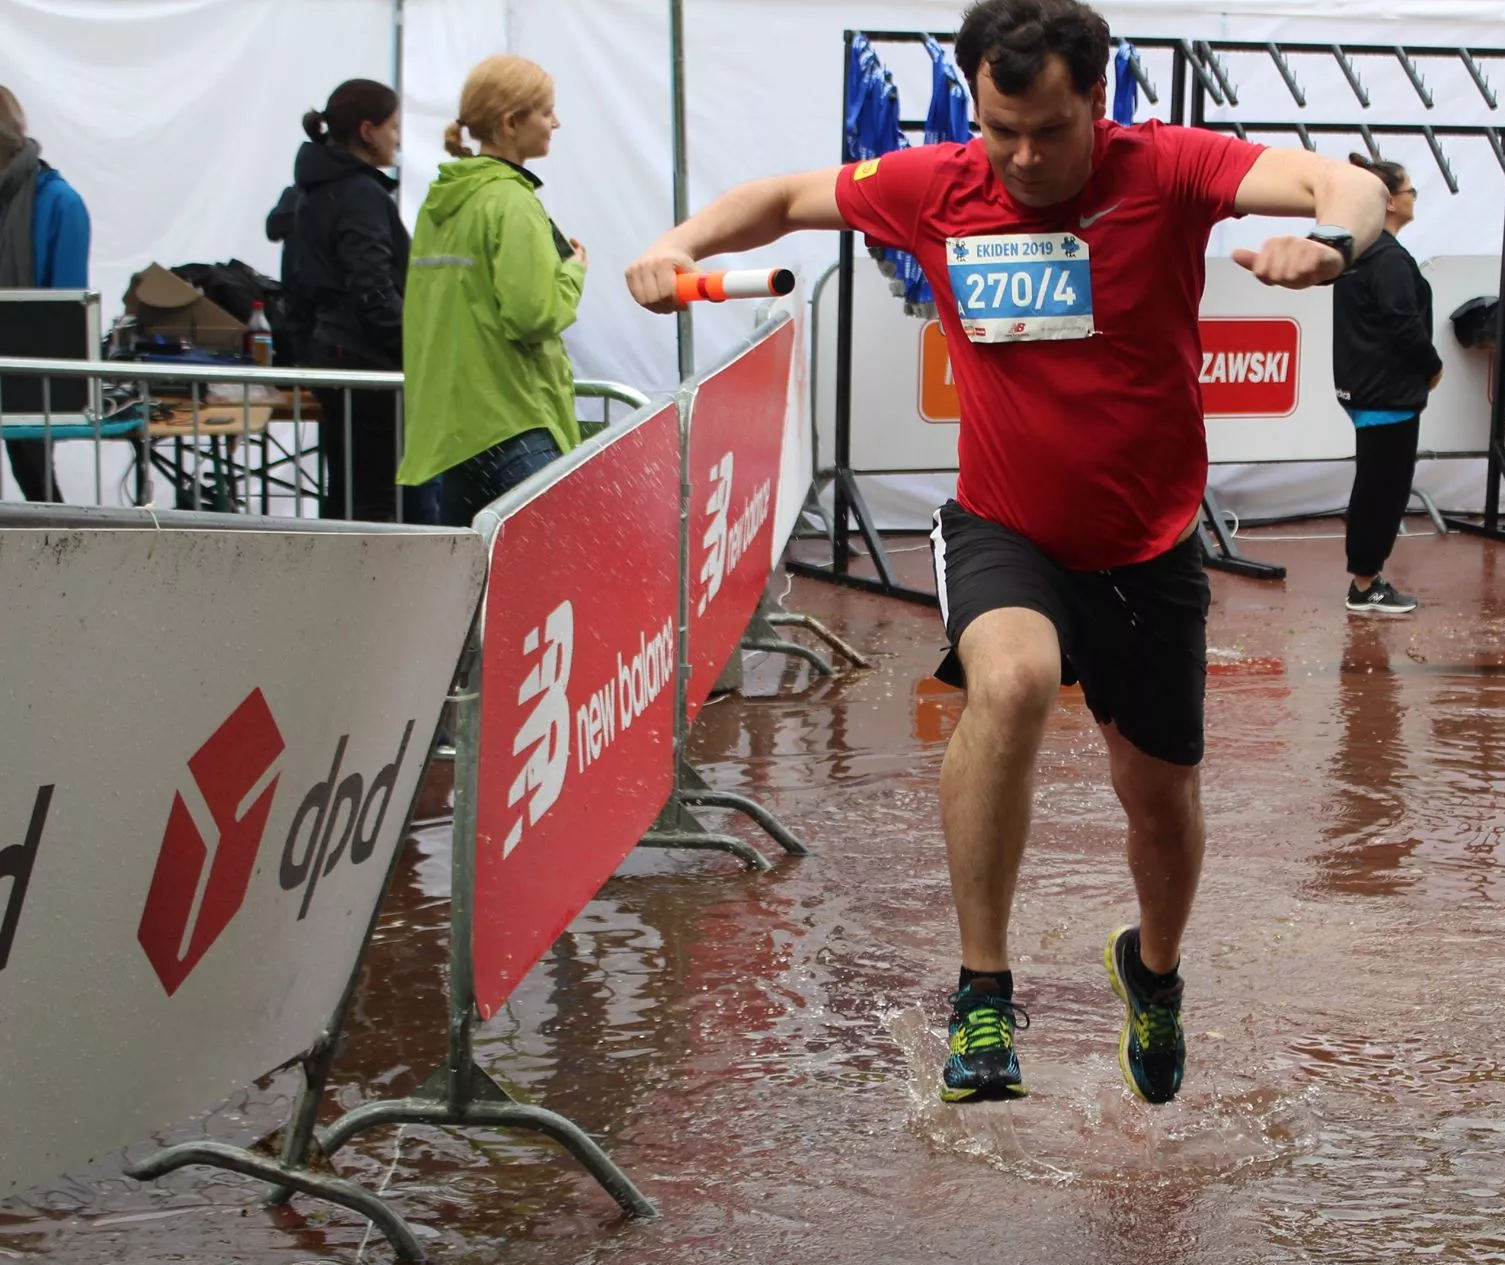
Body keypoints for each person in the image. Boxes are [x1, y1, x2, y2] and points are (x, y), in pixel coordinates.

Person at [627, 0, 1386, 1105]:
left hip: (1147, 547)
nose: (1023, 158)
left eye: (1049, 130)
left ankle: (1153, 971)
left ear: (1097, 100)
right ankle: (982, 989)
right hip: (1005, 526)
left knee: (1160, 806)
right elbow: (784, 199)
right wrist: (678, 246)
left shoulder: (1167, 167)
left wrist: (1330, 244)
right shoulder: (933, 186)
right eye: (1000, 130)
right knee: (1015, 680)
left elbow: (1342, 182)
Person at [399, 55, 586, 527]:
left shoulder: (440, 203)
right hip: (513, 421)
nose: (556, 123)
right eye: (546, 111)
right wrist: (573, 274)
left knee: (468, 570)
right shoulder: (512, 201)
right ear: (510, 123)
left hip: (452, 430)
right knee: (557, 558)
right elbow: (532, 315)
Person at [281, 79, 424, 523]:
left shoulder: (313, 189)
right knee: (374, 497)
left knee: (347, 489)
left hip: (333, 355)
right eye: (393, 127)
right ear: (368, 131)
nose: (397, 139)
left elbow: (296, 283)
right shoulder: (361, 194)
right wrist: (417, 349)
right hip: (367, 363)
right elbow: (373, 290)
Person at [1332, 157, 1439, 615]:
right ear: (1390, 201)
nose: (1415, 197)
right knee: (1384, 489)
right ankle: (1365, 583)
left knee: (1375, 485)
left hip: (1367, 387)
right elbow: (1402, 322)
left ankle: (1365, 576)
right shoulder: (1388, 257)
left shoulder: (1363, 251)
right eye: (1411, 190)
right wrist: (1432, 365)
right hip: (1386, 392)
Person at [0, 85, 90, 503]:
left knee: (33, 475)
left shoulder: (59, 203)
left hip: (29, 374)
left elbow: (65, 311)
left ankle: (58, 539)